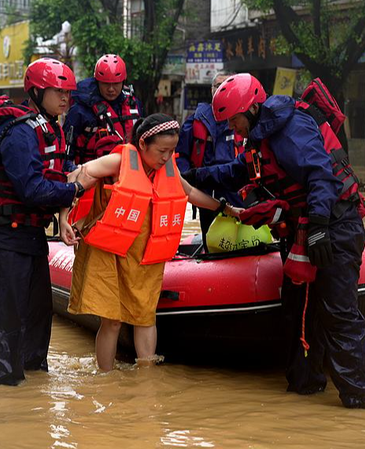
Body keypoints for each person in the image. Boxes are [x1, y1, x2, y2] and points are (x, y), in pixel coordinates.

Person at [185, 73, 365, 408]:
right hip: (304, 229)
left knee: (337, 310)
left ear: (253, 108)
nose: (233, 128)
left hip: (333, 226)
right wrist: (193, 176)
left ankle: (358, 395)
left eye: (234, 119)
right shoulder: (262, 137)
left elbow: (321, 176)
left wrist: (318, 227)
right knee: (298, 310)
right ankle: (305, 384)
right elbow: (240, 171)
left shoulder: (291, 130)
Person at [60, 113, 242, 372]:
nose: (167, 157)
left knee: (145, 317)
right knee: (111, 321)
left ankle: (147, 379)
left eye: (171, 151)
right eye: (162, 151)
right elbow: (77, 176)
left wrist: (225, 208)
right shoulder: (118, 162)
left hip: (143, 255)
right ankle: (105, 380)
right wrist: (64, 218)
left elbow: (188, 192)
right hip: (107, 251)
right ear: (143, 144)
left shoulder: (167, 169)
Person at [0, 58, 97, 386]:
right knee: (9, 328)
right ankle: (7, 402)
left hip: (30, 238)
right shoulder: (20, 133)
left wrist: (64, 215)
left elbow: (49, 180)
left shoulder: (49, 127)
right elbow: (31, 189)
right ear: (38, 91)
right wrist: (75, 189)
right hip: (2, 240)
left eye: (69, 92)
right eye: (58, 91)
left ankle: (35, 400)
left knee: (39, 323)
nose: (66, 98)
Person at [176, 71, 245, 250]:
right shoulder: (196, 120)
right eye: (218, 85)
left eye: (227, 85)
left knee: (243, 236)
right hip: (206, 188)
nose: (221, 89)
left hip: (236, 188)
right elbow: (181, 154)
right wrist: (186, 181)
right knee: (210, 238)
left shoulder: (244, 118)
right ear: (211, 89)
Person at [64, 53, 145, 165]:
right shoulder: (79, 111)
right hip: (92, 176)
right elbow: (65, 154)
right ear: (97, 82)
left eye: (116, 83)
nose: (111, 89)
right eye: (105, 84)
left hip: (129, 173)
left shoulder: (134, 105)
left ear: (123, 82)